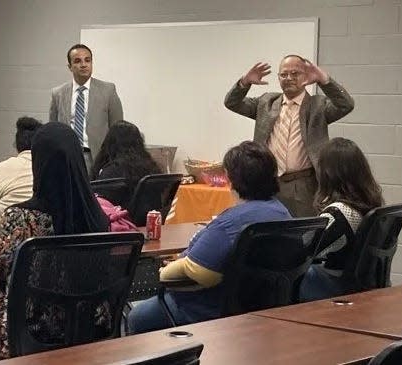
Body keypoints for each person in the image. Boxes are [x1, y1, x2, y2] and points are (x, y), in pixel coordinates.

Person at [0, 122, 109, 362]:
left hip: (26, 335)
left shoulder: (20, 220)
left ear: (39, 165)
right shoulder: (97, 220)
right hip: (88, 332)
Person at [127, 141, 291, 334]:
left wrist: (165, 271)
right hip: (262, 308)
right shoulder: (283, 213)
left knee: (136, 317)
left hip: (209, 309)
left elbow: (200, 272)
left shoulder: (228, 224)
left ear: (231, 179)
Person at [224, 55, 354, 217]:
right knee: (268, 231)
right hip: (267, 182)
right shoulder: (266, 103)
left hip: (303, 185)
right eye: (284, 74)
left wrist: (324, 80)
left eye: (295, 73)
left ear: (306, 76)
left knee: (302, 234)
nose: (289, 78)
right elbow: (232, 103)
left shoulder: (318, 106)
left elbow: (346, 105)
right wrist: (244, 82)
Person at [299, 137, 384, 301]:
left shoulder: (338, 213)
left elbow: (306, 252)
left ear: (327, 174)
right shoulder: (367, 204)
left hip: (337, 287)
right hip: (356, 286)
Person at [49, 44, 123, 159]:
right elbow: (53, 129)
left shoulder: (108, 90)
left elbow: (117, 128)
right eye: (78, 61)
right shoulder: (58, 93)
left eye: (87, 60)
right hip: (66, 156)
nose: (83, 65)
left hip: (98, 157)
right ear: (70, 66)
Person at [0, 116, 42, 239]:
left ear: (17, 145)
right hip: (42, 237)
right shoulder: (48, 165)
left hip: (9, 235)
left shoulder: (8, 166)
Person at [90, 120, 161, 206]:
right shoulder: (152, 168)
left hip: (119, 217)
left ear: (110, 143)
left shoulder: (112, 172)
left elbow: (96, 205)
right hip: (149, 218)